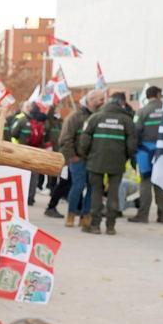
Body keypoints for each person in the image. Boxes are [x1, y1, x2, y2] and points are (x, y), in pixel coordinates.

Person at [78, 91, 137, 235]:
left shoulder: (95, 117)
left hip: (96, 160)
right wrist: (126, 157)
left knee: (96, 193)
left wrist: (86, 155)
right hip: (117, 162)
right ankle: (111, 226)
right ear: (121, 104)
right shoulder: (127, 120)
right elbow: (132, 144)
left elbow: (84, 140)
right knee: (114, 193)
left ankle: (95, 226)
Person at [59, 89, 104, 228]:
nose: (103, 102)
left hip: (94, 159)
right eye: (100, 99)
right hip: (78, 159)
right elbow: (66, 138)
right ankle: (71, 214)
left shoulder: (100, 116)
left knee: (92, 188)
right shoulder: (75, 117)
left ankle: (85, 216)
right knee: (77, 187)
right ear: (90, 100)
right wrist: (72, 156)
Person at [131, 85, 163, 223]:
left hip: (145, 152)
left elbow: (135, 131)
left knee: (145, 183)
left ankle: (143, 215)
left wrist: (133, 152)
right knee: (161, 182)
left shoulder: (142, 111)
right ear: (159, 94)